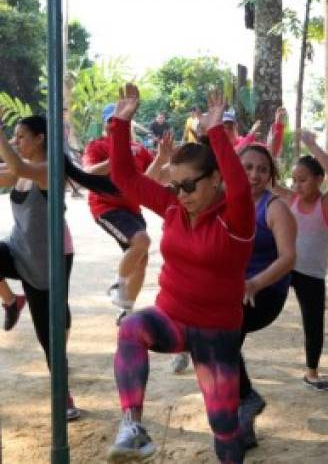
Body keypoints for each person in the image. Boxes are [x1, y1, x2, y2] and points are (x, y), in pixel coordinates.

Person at [105, 85, 255, 463]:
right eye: (176, 185)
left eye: (190, 185)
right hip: (171, 317)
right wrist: (120, 122)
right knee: (130, 328)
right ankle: (133, 428)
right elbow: (124, 176)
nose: (182, 193)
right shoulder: (173, 207)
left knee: (224, 424)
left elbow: (239, 186)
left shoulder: (235, 218)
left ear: (214, 180)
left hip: (216, 331)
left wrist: (216, 132)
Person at [0, 113, 120, 421]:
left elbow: (18, 166)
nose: (16, 141)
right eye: (14, 136)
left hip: (51, 257)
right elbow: (9, 171)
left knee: (49, 331)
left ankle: (62, 392)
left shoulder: (46, 170)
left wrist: (0, 137)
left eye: (21, 136)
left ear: (40, 138)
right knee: (53, 320)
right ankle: (12, 301)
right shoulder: (19, 171)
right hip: (19, 250)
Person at [231, 143, 297, 435]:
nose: (255, 175)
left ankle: (246, 398)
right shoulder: (226, 199)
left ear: (271, 175)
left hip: (264, 293)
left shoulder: (275, 208)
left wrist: (255, 283)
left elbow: (288, 258)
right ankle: (243, 419)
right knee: (219, 346)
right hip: (233, 291)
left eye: (262, 169)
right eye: (247, 168)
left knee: (220, 338)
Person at [272, 130, 328, 391]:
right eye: (293, 180)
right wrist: (273, 138)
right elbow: (267, 182)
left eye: (302, 180)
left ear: (318, 180)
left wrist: (313, 145)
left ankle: (311, 372)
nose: (296, 186)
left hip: (311, 274)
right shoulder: (290, 199)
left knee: (313, 322)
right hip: (282, 267)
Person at [83, 104, 167, 322]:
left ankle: (126, 310)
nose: (115, 124)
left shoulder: (139, 148)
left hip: (132, 208)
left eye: (120, 120)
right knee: (142, 241)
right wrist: (115, 159)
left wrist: (163, 158)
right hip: (106, 207)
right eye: (111, 120)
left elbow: (151, 179)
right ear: (105, 123)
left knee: (141, 257)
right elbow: (88, 172)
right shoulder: (97, 145)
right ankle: (119, 284)